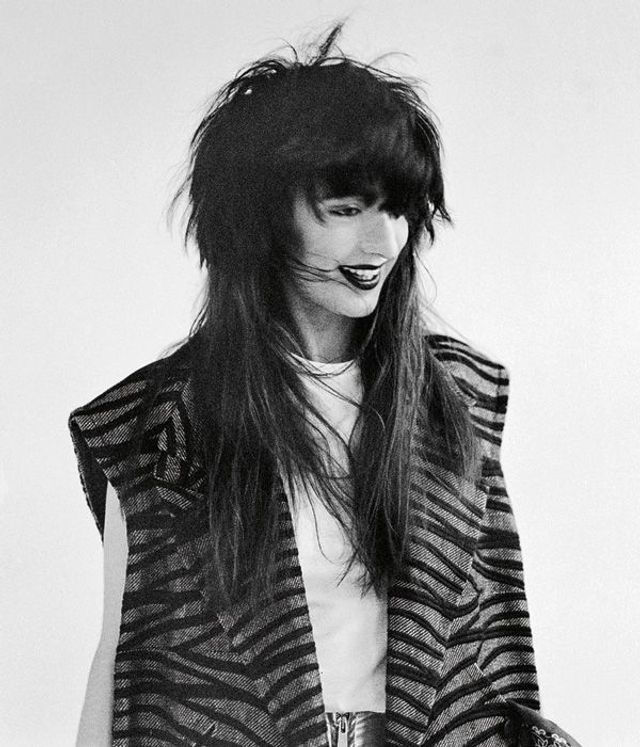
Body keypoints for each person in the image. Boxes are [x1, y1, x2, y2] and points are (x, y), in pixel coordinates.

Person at [69, 25, 581, 747]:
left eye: (398, 209)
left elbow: (488, 653)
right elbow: (123, 656)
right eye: (345, 210)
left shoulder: (460, 399)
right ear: (259, 218)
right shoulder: (158, 427)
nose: (381, 243)